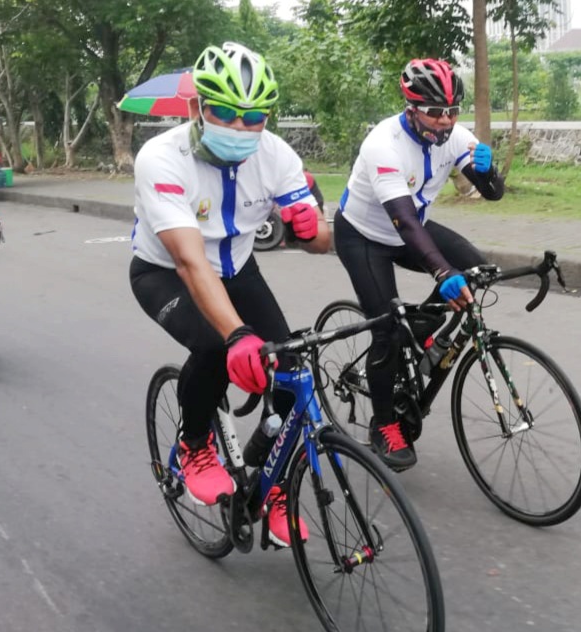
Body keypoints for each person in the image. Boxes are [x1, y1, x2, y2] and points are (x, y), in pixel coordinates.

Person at [129, 42, 330, 547]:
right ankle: (195, 443)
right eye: (225, 113)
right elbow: (189, 261)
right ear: (197, 107)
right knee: (219, 345)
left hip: (238, 269)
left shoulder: (277, 154)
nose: (241, 129)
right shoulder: (160, 157)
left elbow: (321, 243)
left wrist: (312, 230)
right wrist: (238, 333)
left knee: (290, 368)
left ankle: (278, 485)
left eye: (254, 118)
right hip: (166, 273)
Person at [333, 58, 505, 471]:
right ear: (411, 108)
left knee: (475, 268)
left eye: (451, 111)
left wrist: (488, 173)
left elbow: (495, 193)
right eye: (435, 112)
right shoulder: (383, 144)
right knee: (387, 331)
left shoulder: (453, 135)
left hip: (413, 228)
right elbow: (404, 220)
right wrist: (441, 272)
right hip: (365, 237)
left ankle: (423, 331)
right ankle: (383, 422)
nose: (445, 121)